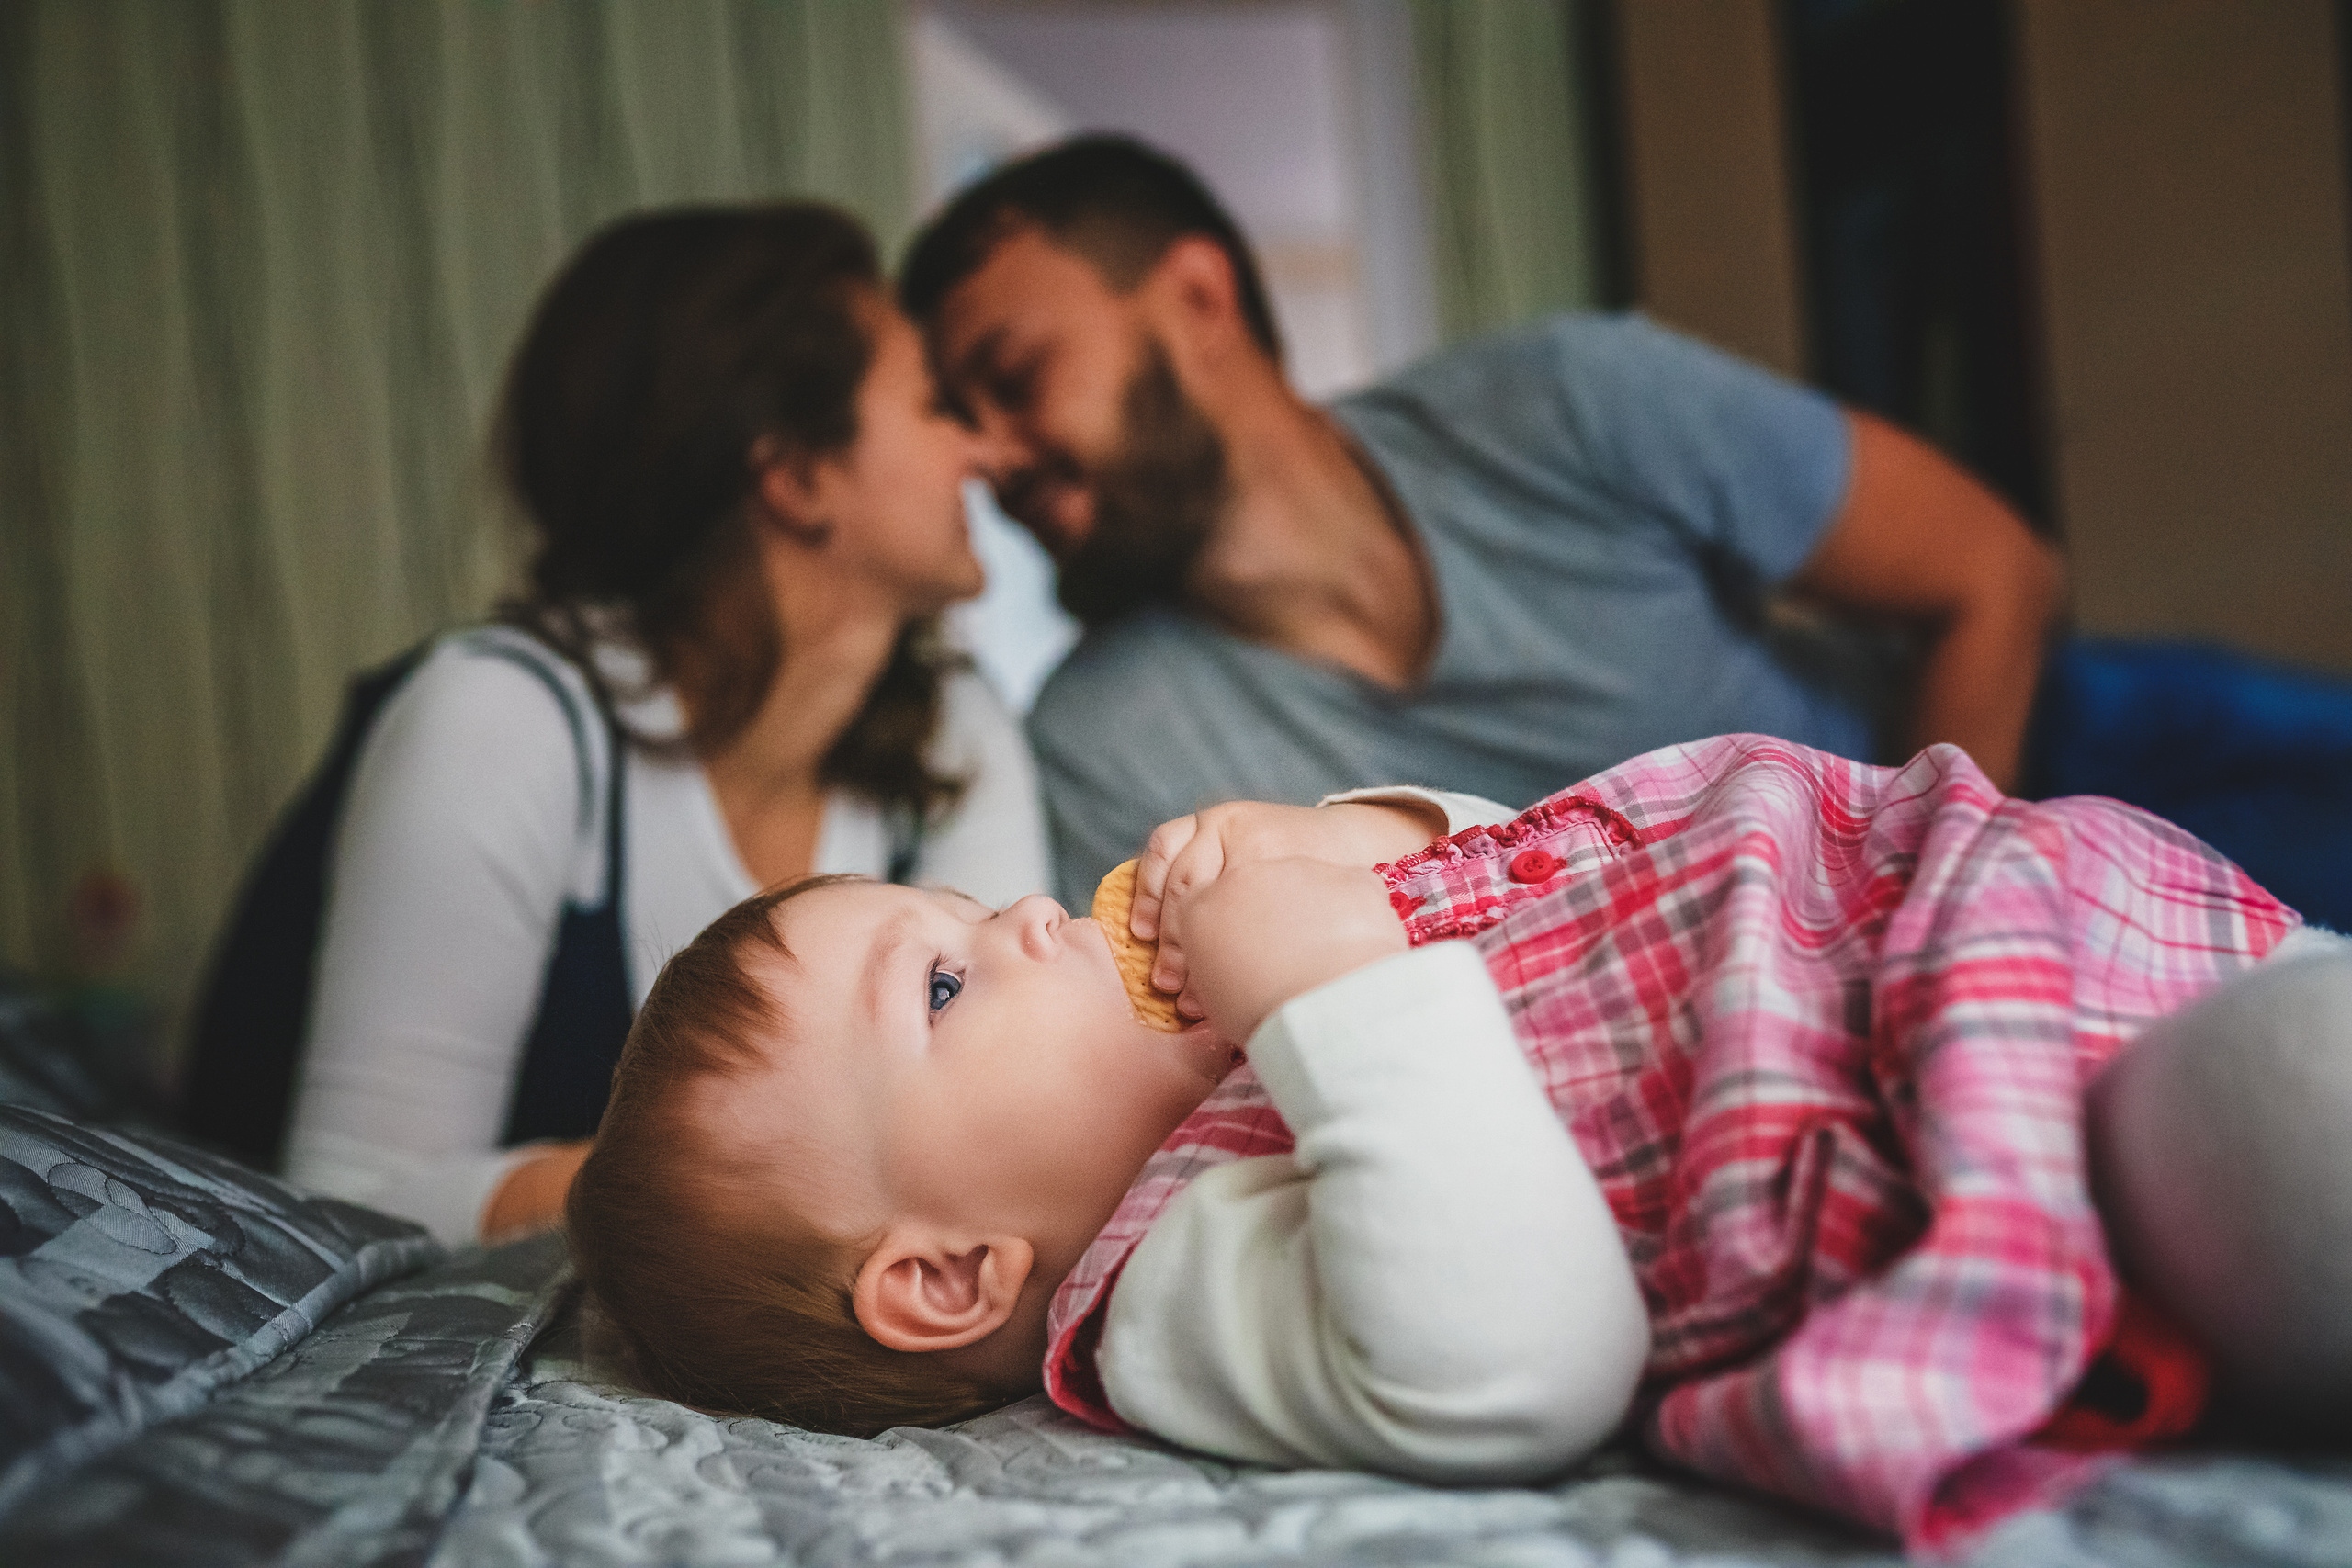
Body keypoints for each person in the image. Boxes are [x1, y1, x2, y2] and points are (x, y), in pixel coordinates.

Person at [564, 733, 2351, 1555]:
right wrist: (1332, 997)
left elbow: (1550, 879)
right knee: (2274, 1107)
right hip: (2050, 1133)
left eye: (967, 900)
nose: (1033, 916)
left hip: (2005, 915)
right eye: (945, 981)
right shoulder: (1171, 1281)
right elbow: (1513, 1362)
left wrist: (1352, 844)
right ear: (946, 1272)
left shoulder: (1240, 1024)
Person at [896, 136, 2067, 911]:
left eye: (1015, 374)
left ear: (1199, 298)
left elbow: (1989, 570)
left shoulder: (1572, 399)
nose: (988, 456)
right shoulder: (1101, 748)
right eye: (958, 417)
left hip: (1972, 840)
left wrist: (1927, 922)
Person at [259, 204, 1048, 1246]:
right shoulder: (502, 717)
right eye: (935, 405)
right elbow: (353, 1197)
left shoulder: (956, 724)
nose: (989, 450)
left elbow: (1017, 1107)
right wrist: (737, 1197)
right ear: (799, 478)